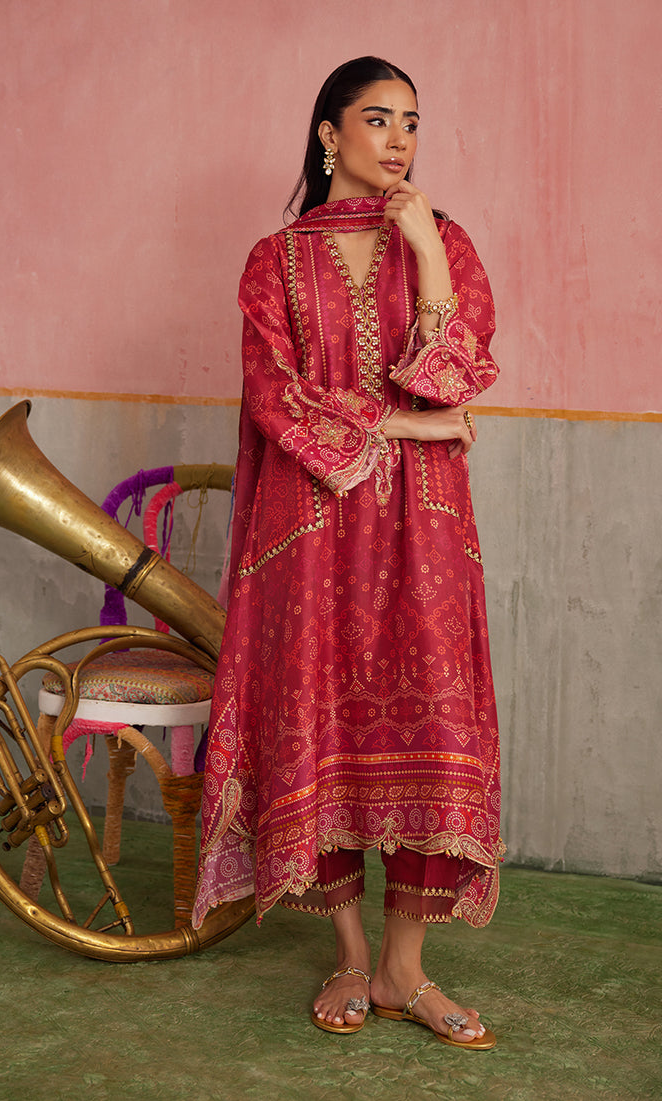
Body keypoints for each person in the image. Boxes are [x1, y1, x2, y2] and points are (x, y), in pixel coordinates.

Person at [192, 56, 503, 1050]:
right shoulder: (271, 261)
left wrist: (428, 255)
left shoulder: (441, 241)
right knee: (316, 720)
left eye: (410, 121)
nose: (399, 138)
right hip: (311, 528)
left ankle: (407, 965)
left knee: (429, 718)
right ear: (328, 134)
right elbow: (273, 397)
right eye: (377, 119)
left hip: (424, 530)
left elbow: (460, 372)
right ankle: (349, 953)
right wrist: (409, 431)